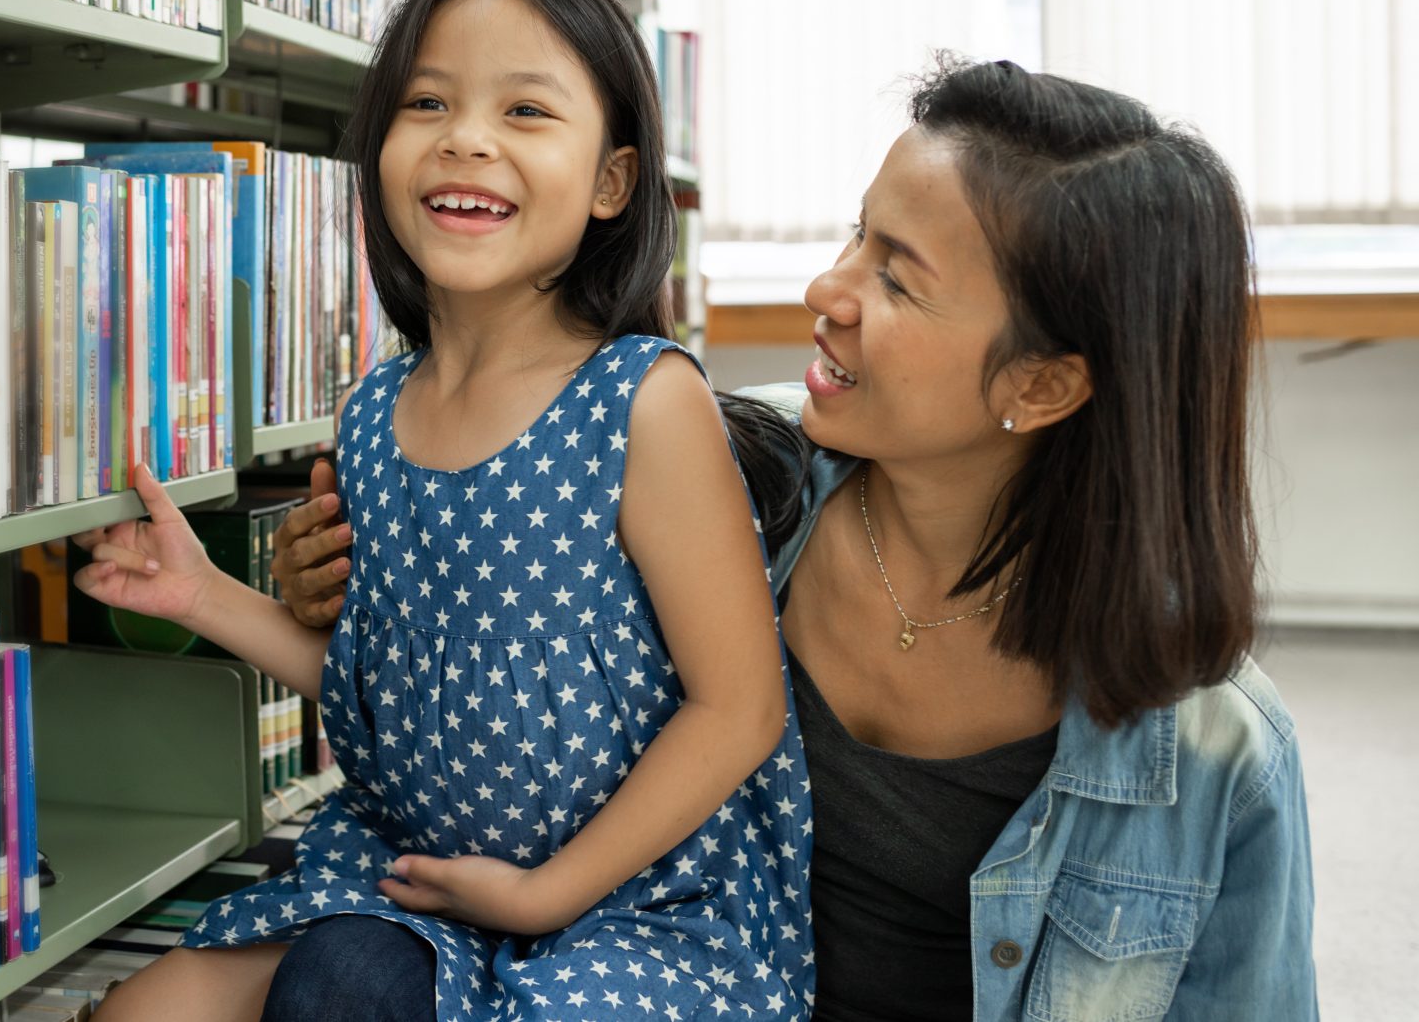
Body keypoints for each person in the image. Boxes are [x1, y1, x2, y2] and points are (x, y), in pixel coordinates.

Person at [269, 57, 1319, 1021]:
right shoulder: (699, 471)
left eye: (895, 278)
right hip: (610, 986)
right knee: (342, 971)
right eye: (853, 236)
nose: (827, 291)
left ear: (1040, 383)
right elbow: (472, 678)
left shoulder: (1211, 752)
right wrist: (345, 584)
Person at [69, 0, 820, 1021]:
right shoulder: (372, 411)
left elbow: (738, 707)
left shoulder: (642, 401)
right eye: (427, 101)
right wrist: (204, 598)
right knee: (140, 1009)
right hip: (413, 870)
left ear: (610, 180)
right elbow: (393, 679)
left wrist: (544, 890)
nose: (466, 135)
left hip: (634, 898)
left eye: (525, 110)